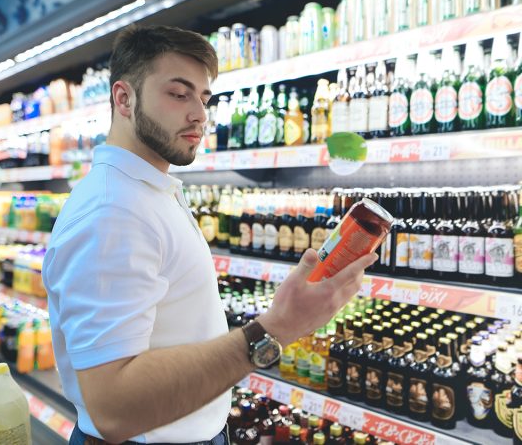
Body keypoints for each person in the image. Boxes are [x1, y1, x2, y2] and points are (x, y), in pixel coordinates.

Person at [42, 25, 376, 444]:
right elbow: (113, 407)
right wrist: (275, 327)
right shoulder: (114, 210)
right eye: (179, 94)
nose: (200, 114)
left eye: (204, 98)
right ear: (123, 99)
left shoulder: (148, 191)